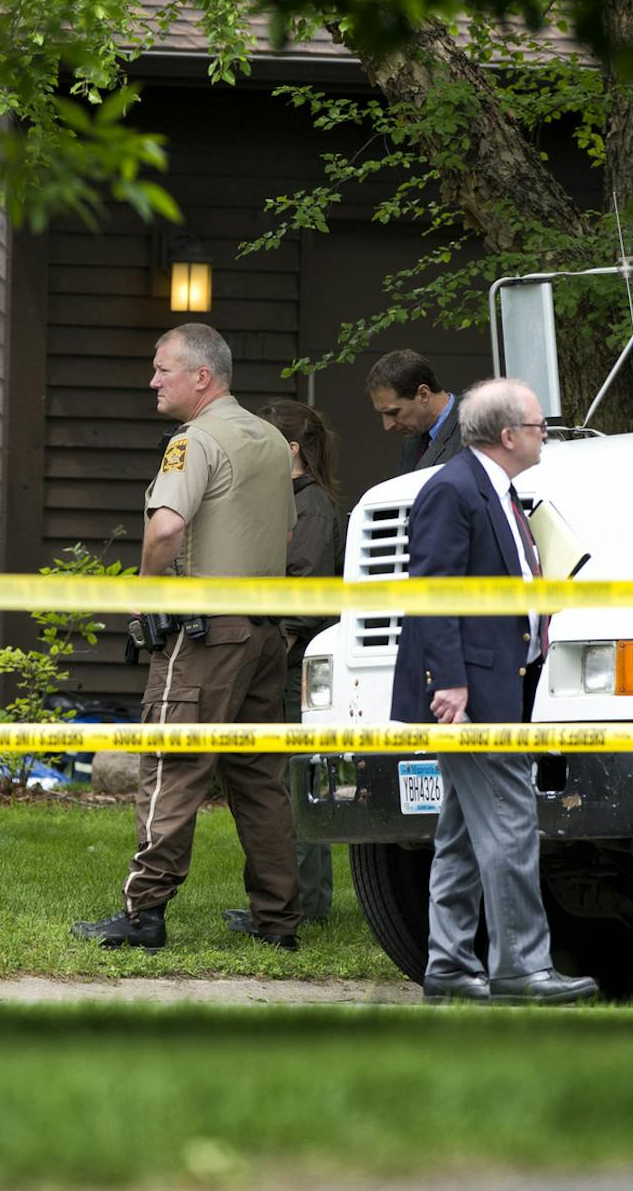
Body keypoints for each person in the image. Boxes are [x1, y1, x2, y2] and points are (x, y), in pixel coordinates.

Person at [73, 323, 303, 951]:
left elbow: (166, 528)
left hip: (203, 637)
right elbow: (283, 539)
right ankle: (278, 920)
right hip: (264, 633)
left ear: (202, 376)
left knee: (171, 766)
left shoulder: (194, 440)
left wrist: (149, 600)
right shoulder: (272, 441)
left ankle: (143, 912)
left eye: (162, 369)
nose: (152, 380)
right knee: (260, 781)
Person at [390, 378, 597, 1005]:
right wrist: (449, 681)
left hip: (496, 682)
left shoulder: (495, 491)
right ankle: (521, 968)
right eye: (538, 427)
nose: (544, 437)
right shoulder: (453, 490)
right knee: (510, 825)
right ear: (509, 436)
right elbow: (432, 592)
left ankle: (450, 964)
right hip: (470, 692)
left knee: (458, 833)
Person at [242, 398, 344, 927]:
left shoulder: (313, 508)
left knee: (292, 784)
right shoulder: (287, 501)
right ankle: (301, 900)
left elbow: (306, 588)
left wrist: (280, 639)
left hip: (297, 666)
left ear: (291, 450)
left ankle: (303, 904)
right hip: (286, 663)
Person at [367, 349, 460, 473]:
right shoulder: (413, 443)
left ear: (423, 394)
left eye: (393, 412)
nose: (387, 426)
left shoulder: (481, 429)